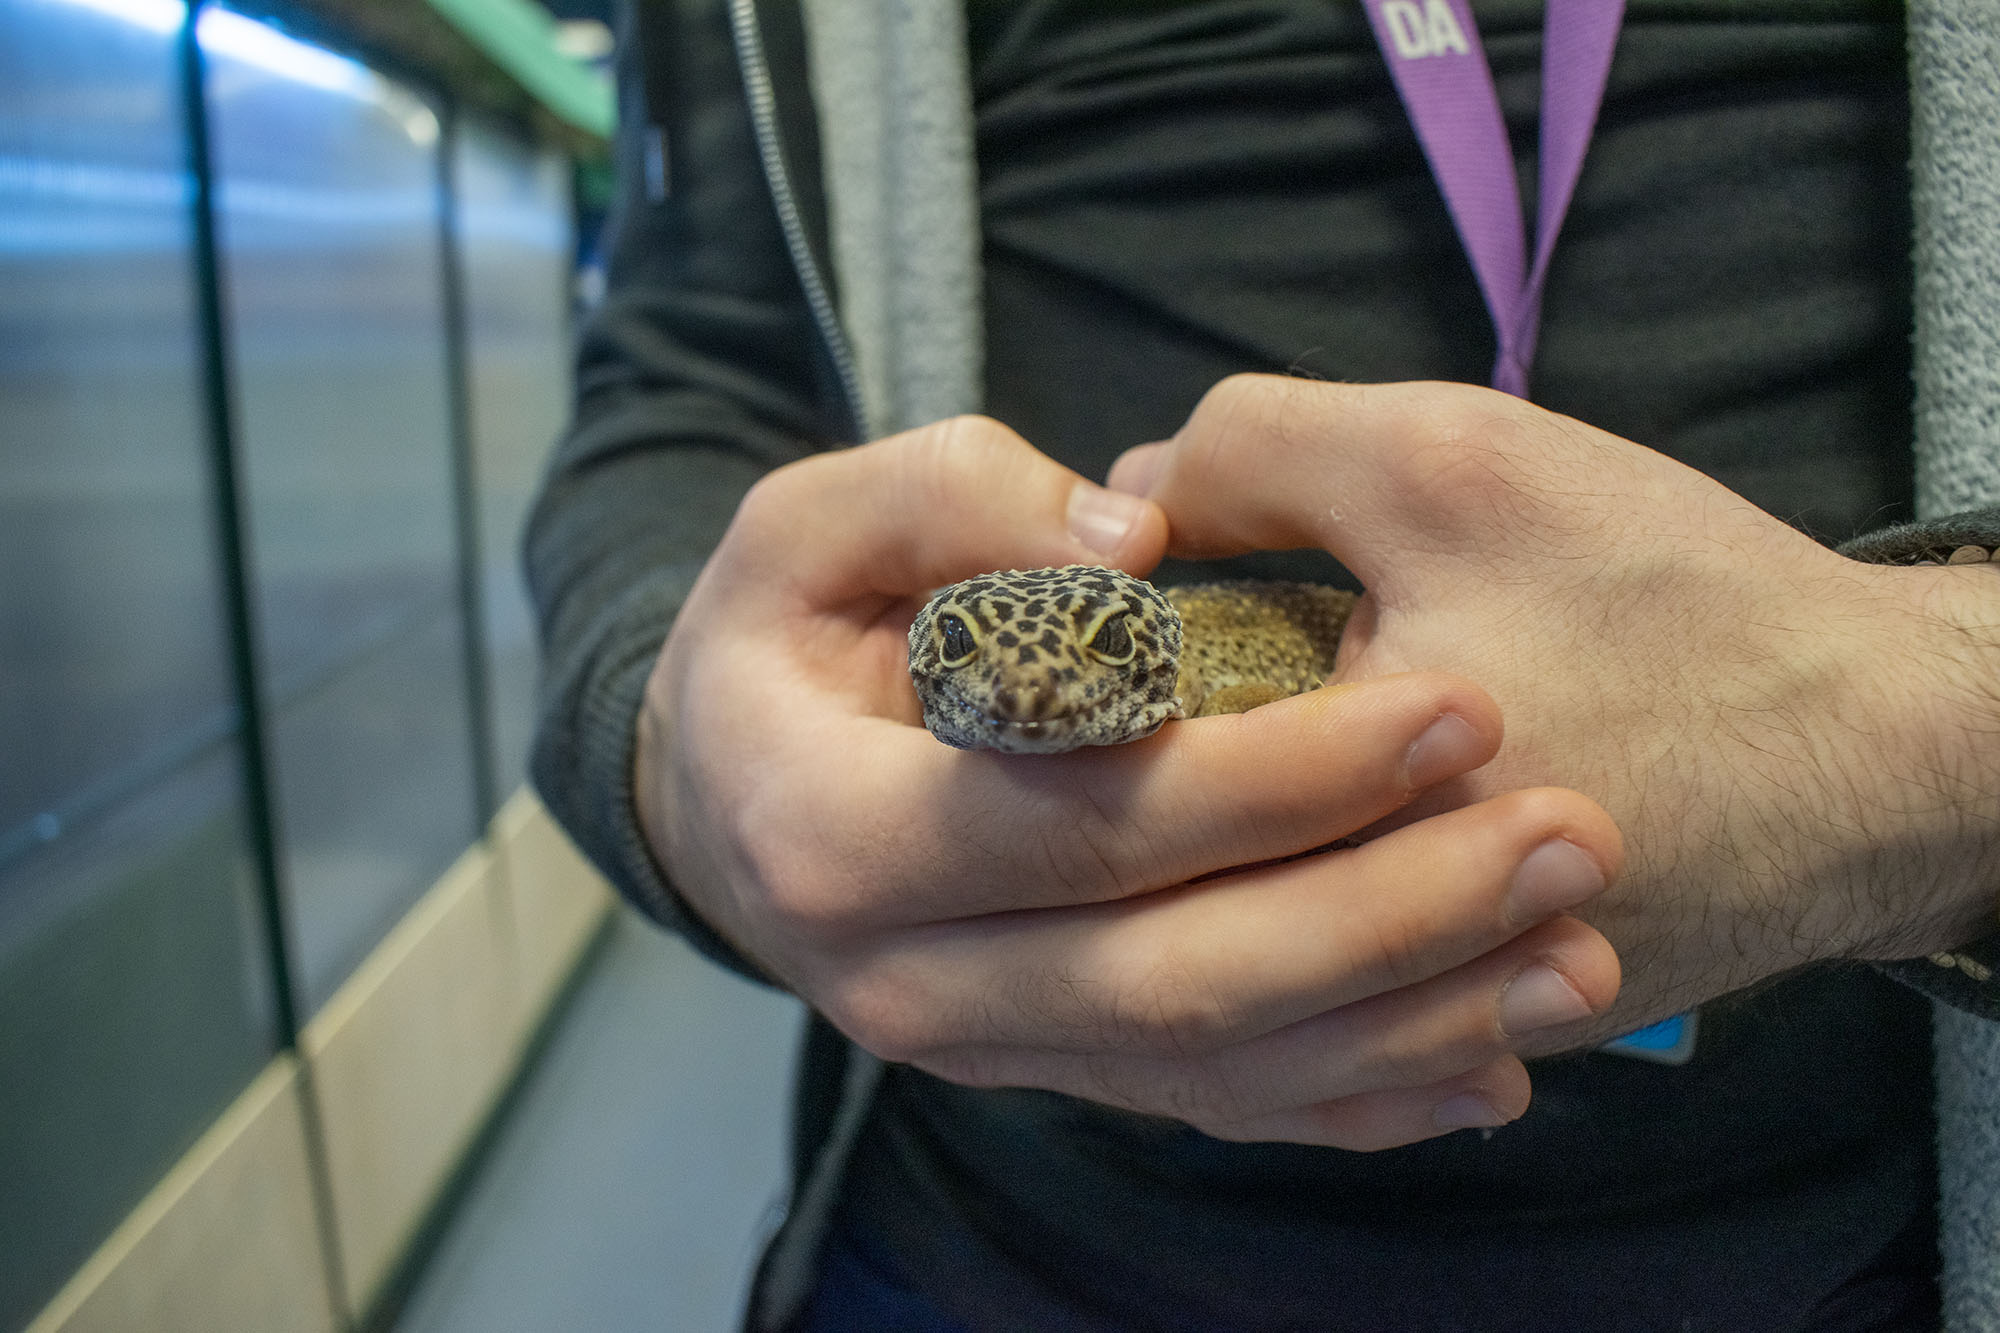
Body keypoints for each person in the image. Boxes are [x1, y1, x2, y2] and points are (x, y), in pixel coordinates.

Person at [526, 2, 2000, 1328]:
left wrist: (1924, 736)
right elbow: (682, 381)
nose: (1031, 693)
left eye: (1085, 655)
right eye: (976, 655)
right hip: (984, 1243)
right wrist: (674, 744)